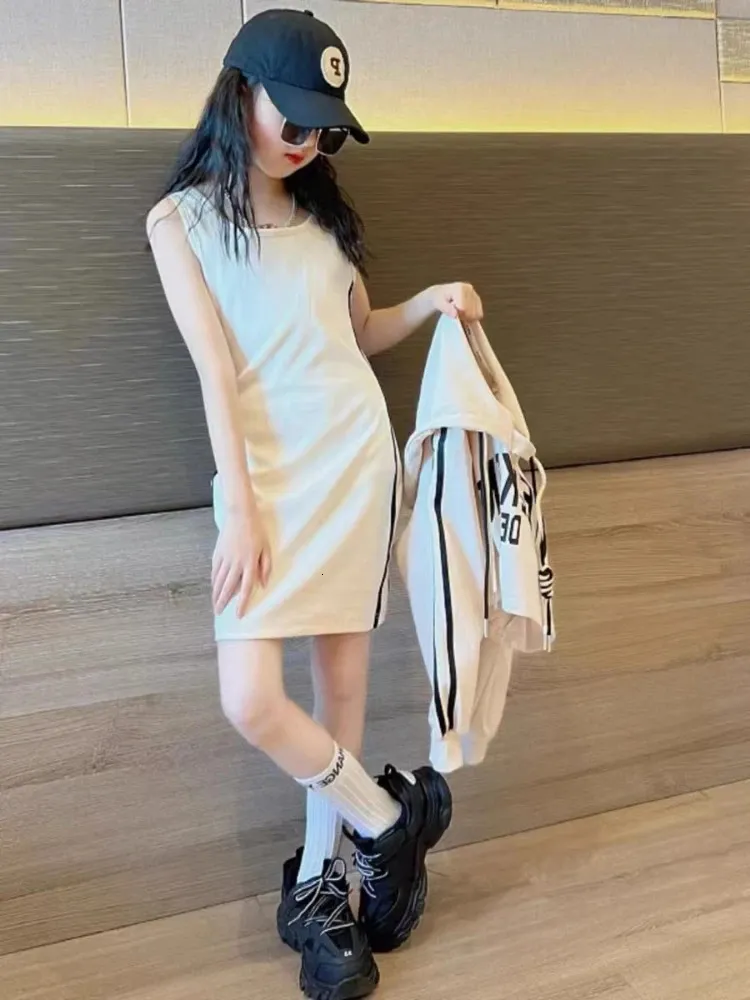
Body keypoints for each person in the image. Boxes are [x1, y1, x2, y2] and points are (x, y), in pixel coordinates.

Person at [147, 9, 483, 999]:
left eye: (324, 129)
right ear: (238, 95)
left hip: (351, 465)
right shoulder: (181, 222)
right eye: (291, 119)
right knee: (252, 697)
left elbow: (358, 333)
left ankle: (322, 890)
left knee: (339, 698)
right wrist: (242, 509)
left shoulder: (328, 222)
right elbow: (215, 372)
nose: (306, 143)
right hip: (261, 480)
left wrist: (431, 302)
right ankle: (387, 818)